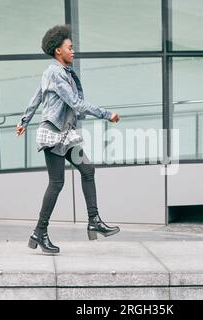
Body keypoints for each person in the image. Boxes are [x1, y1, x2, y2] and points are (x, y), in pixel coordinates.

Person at [15, 25, 120, 254]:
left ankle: (94, 220)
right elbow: (75, 103)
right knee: (57, 183)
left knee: (88, 170)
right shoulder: (55, 73)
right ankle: (39, 232)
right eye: (70, 48)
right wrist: (105, 114)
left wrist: (23, 121)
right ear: (58, 51)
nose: (73, 51)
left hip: (66, 134)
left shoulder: (62, 73)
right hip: (53, 134)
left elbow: (36, 97)